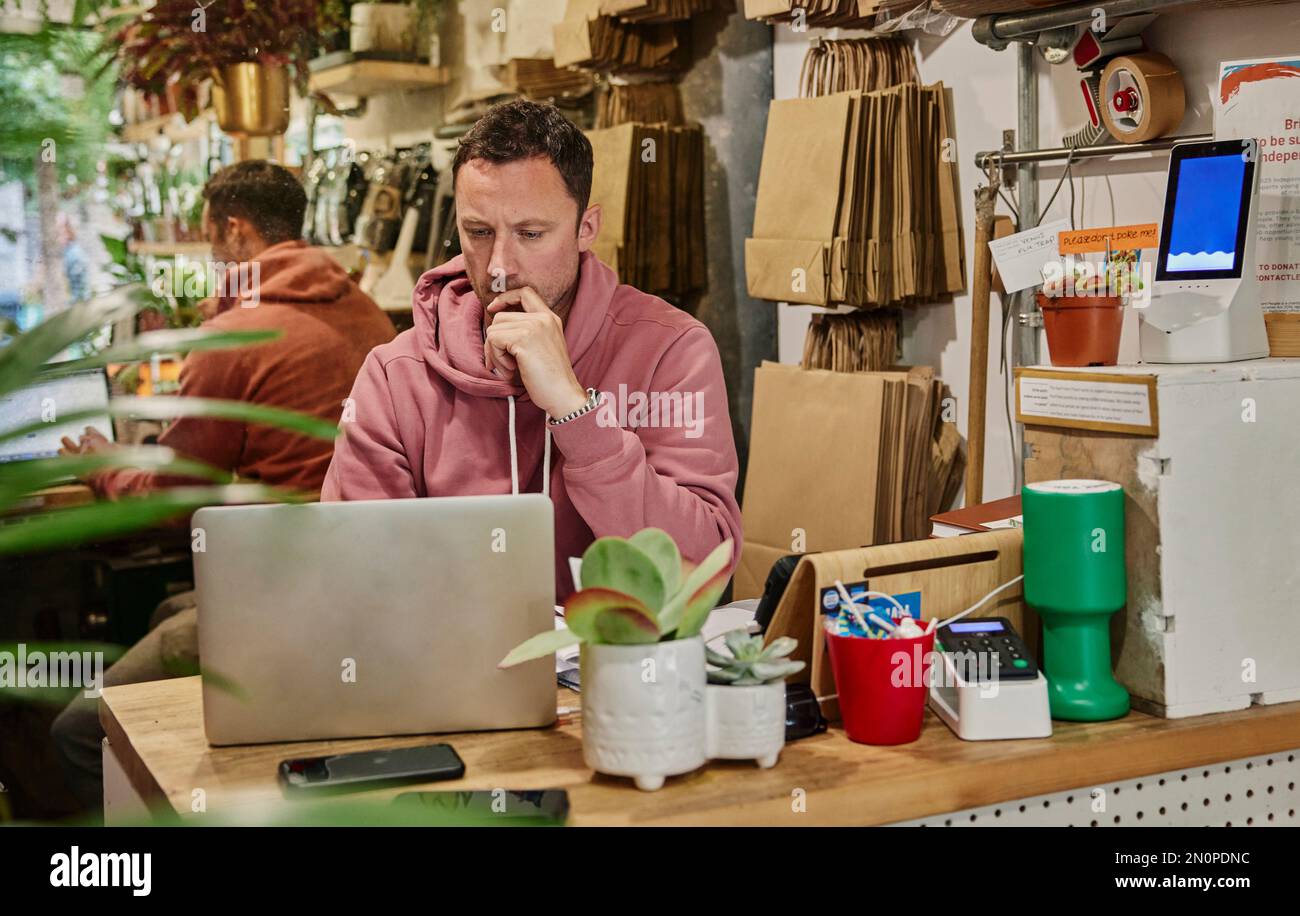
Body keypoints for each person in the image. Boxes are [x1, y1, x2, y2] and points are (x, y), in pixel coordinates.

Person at [51, 160, 396, 813]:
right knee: (165, 613)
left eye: (211, 240)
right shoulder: (369, 313)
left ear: (235, 231)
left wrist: (101, 464)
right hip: (370, 592)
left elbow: (176, 505)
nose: (212, 258)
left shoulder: (236, 333)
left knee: (75, 733)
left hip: (287, 604)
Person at [322, 99, 742, 599]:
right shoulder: (395, 375)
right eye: (478, 232)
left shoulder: (671, 349)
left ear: (587, 228)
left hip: (619, 668)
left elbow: (702, 575)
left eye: (531, 234)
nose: (500, 265)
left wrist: (575, 411)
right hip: (455, 669)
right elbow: (354, 575)